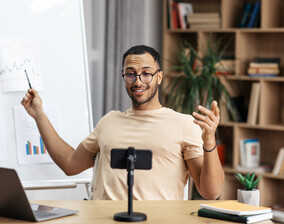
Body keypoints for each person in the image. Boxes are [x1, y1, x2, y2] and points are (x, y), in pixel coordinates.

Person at [21, 45, 224, 200]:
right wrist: (39, 114)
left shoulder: (184, 124)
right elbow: (70, 164)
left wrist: (209, 141)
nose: (138, 81)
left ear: (159, 77)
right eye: (130, 74)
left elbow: (210, 192)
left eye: (146, 73)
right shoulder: (109, 121)